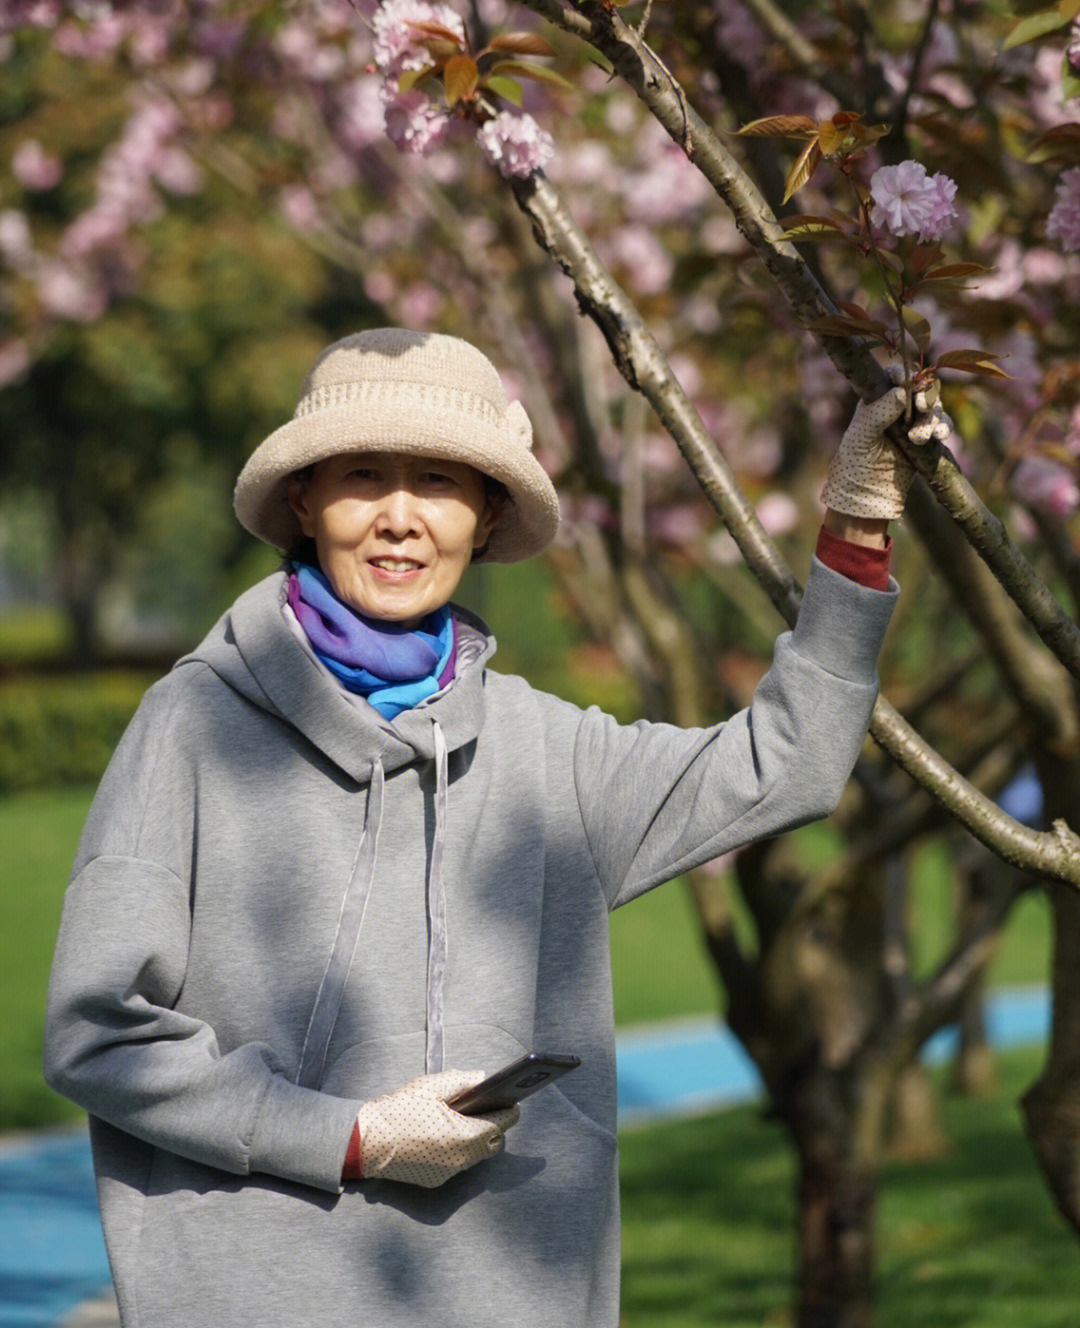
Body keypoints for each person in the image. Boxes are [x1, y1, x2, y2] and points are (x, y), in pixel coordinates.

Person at [44, 328, 947, 1328]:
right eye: (360, 475)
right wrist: (354, 1135)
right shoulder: (193, 728)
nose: (398, 516)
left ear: (486, 514)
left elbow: (791, 760)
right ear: (303, 501)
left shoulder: (549, 753)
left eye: (437, 479)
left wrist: (856, 517)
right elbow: (98, 1032)